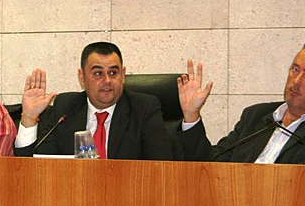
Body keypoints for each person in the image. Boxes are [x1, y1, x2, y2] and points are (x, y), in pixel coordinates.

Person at [177, 40, 305, 165]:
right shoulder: (255, 116)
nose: (296, 81)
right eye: (295, 70)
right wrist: (191, 115)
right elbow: (210, 164)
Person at [14, 42, 182, 160]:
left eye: (113, 73)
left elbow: (161, 164)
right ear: (82, 77)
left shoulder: (144, 108)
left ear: (123, 75)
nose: (107, 80)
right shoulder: (66, 107)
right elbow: (34, 164)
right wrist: (29, 118)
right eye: (97, 73)